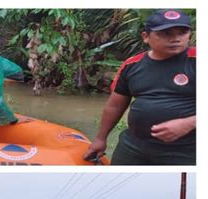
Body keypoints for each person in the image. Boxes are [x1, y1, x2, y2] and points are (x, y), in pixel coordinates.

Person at [84, 9, 196, 165]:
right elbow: (115, 106)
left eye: (182, 32)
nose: (176, 39)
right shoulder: (132, 64)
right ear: (146, 37)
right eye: (166, 33)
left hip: (186, 150)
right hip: (133, 146)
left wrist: (189, 123)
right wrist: (100, 139)